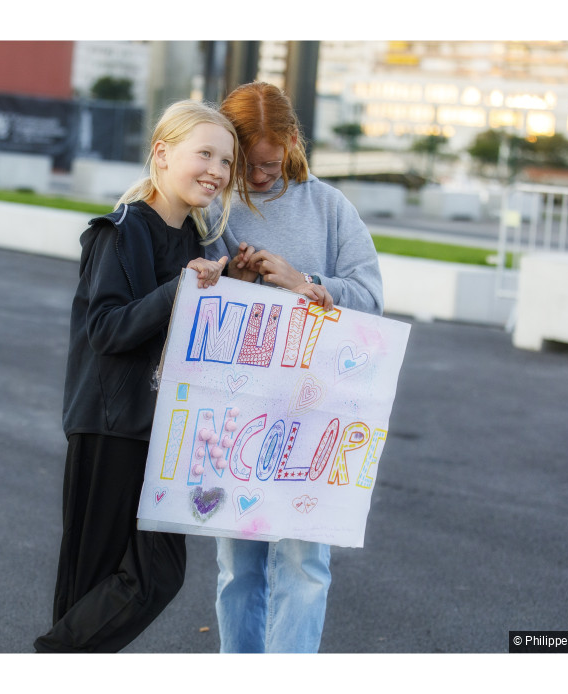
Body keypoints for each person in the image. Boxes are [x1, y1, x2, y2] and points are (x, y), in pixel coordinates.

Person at [33, 100, 242, 653]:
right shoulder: (120, 232)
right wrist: (180, 290)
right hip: (110, 426)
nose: (217, 171)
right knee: (92, 580)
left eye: (226, 160)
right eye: (205, 153)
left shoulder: (199, 241)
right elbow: (105, 330)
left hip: (164, 431)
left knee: (158, 572)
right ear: (162, 152)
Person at [205, 82, 384, 653]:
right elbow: (192, 301)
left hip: (315, 409)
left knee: (305, 563)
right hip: (239, 406)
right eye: (247, 164)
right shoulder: (214, 205)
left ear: (289, 142)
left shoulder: (329, 206)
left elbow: (372, 297)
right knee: (239, 565)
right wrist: (233, 279)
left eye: (268, 162)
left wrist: (304, 283)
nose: (259, 177)